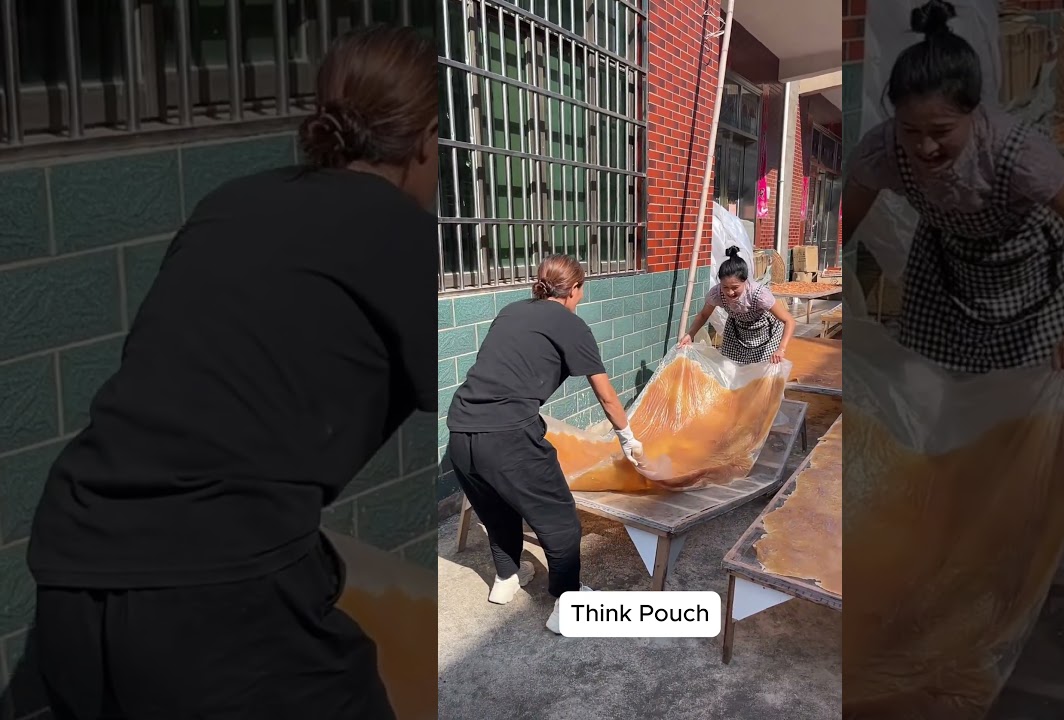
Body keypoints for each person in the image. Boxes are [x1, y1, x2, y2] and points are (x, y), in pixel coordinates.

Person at [26, 25, 437, 720]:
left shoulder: (232, 202)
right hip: (215, 600)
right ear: (427, 141)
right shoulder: (402, 233)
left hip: (73, 569)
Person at [843, 0, 1064, 375]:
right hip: (946, 267)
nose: (925, 147)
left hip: (1036, 271)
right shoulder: (882, 150)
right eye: (910, 130)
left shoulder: (1018, 151)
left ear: (974, 112)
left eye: (942, 132)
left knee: (1028, 392)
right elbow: (843, 230)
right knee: (925, 385)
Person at [446, 254, 644, 635]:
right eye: (581, 291)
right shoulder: (572, 326)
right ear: (573, 289)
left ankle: (507, 578)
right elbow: (606, 396)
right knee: (560, 521)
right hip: (508, 438)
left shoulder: (511, 311)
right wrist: (628, 439)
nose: (581, 298)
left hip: (461, 430)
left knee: (496, 508)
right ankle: (568, 602)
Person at [679, 245, 797, 364]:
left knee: (760, 372)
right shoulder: (717, 293)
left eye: (735, 287)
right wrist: (690, 334)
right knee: (729, 367)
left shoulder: (759, 294)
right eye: (725, 287)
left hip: (765, 333)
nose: (730, 292)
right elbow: (703, 315)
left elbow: (788, 320)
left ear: (745, 281)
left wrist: (781, 349)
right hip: (737, 332)